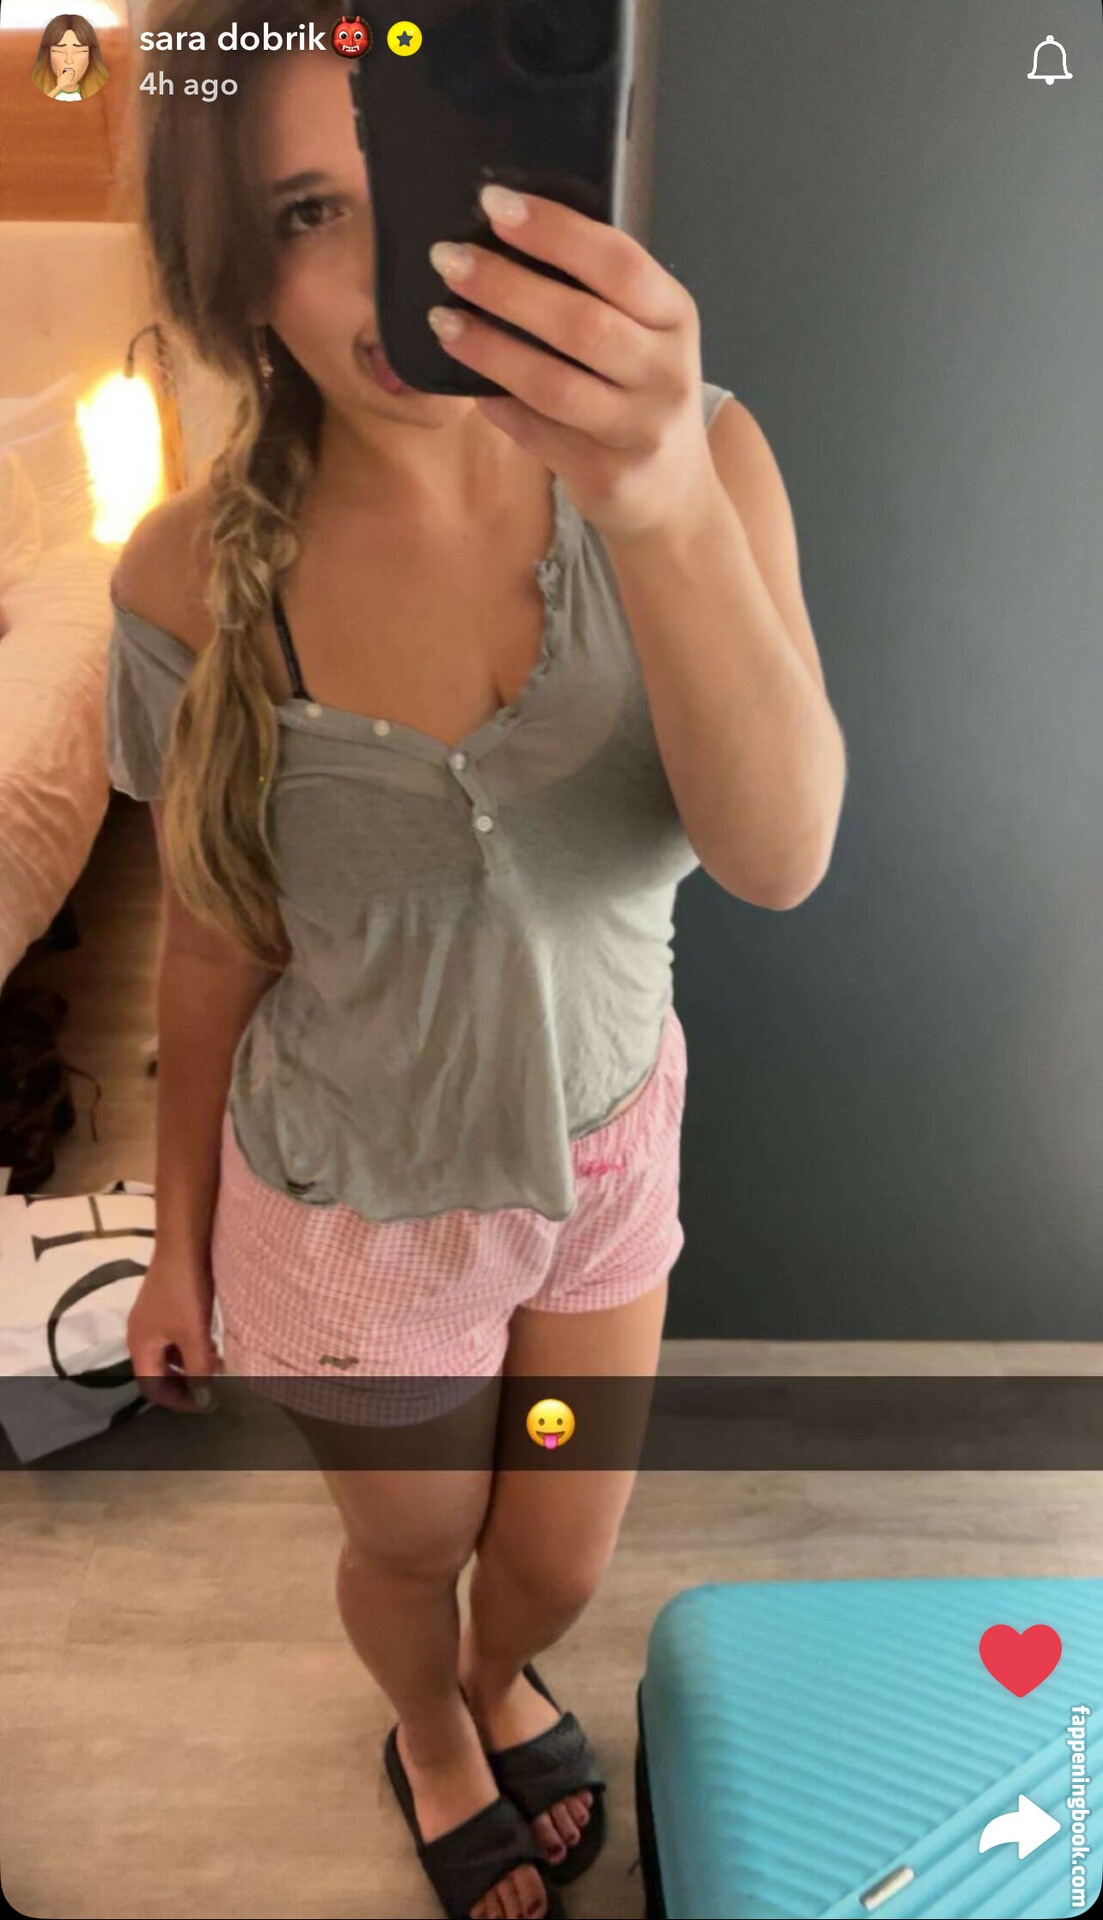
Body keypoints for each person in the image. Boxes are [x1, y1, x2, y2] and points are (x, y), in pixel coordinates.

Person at [107, 3, 829, 1915]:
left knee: (556, 1563)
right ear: (231, 257)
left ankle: (500, 1676)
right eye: (308, 213)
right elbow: (208, 942)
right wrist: (175, 1244)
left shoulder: (702, 461)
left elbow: (777, 857)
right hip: (356, 1238)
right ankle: (432, 1727)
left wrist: (653, 499)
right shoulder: (184, 580)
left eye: (435, 187)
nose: (391, 275)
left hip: (600, 1183)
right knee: (410, 1550)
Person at [29, 14, 110, 101]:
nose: (69, 60)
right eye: (59, 51)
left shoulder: (104, 88)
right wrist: (59, 86)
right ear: (48, 55)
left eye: (79, 51)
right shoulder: (34, 86)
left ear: (91, 55)